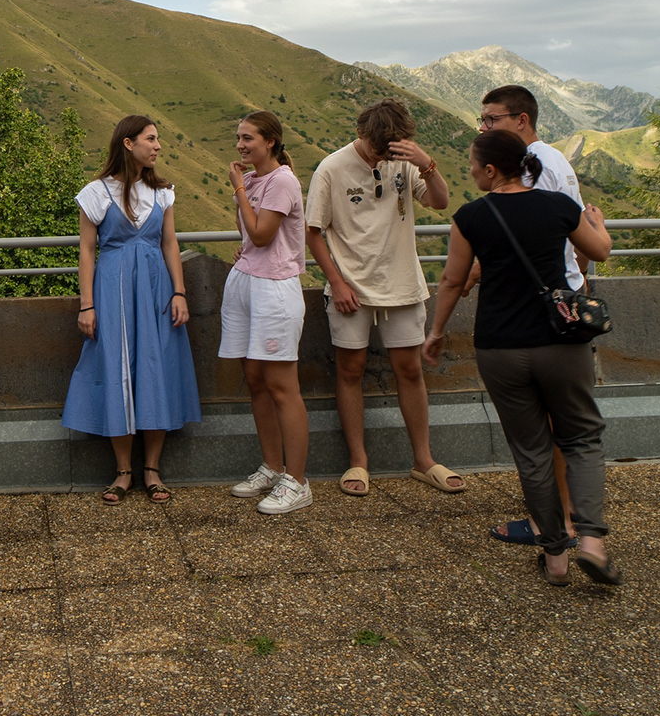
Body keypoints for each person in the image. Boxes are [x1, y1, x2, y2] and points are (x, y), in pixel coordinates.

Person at [424, 130, 619, 588]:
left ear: (491, 170)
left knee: (532, 450)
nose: (471, 171)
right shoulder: (558, 206)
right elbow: (599, 251)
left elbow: (452, 280)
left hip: (501, 347)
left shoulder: (471, 216)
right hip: (561, 342)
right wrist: (598, 222)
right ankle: (591, 542)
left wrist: (436, 332)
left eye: (473, 164)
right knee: (581, 438)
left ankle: (555, 557)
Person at [304, 98, 459, 498]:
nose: (381, 158)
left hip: (402, 283)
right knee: (350, 370)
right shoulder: (331, 168)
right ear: (360, 134)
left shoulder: (405, 162)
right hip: (350, 288)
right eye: (376, 150)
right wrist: (337, 282)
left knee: (410, 369)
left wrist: (426, 164)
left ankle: (424, 460)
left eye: (388, 151)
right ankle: (358, 460)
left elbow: (440, 201)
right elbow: (313, 231)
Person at [62, 115, 199, 504]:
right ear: (128, 143)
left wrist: (179, 292)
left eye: (157, 139)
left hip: (157, 291)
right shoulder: (97, 192)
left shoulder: (163, 192)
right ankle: (123, 470)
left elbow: (169, 243)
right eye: (151, 139)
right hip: (112, 290)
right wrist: (86, 304)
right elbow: (86, 251)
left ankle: (152, 469)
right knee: (116, 368)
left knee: (157, 368)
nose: (157, 146)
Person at [473, 84, 585, 547]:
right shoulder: (555, 160)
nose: (485, 128)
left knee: (541, 428)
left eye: (492, 119)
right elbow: (577, 232)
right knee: (566, 421)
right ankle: (569, 519)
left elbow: (522, 234)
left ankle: (553, 523)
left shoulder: (533, 167)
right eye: (482, 120)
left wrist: (474, 273)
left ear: (522, 120)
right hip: (565, 298)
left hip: (537, 308)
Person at [221, 110, 312, 515]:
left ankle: (298, 481)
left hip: (274, 289)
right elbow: (248, 235)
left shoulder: (282, 181)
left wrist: (239, 188)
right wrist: (244, 191)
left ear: (270, 142)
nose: (240, 145)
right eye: (239, 137)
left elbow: (261, 234)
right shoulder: (256, 181)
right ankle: (273, 467)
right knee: (256, 380)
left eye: (248, 138)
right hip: (245, 283)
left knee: (281, 385)